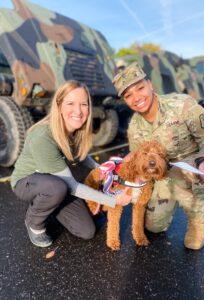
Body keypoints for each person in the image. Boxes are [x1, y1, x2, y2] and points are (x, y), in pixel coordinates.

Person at [112, 62, 204, 250]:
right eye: (128, 95)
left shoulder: (182, 104)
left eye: (140, 88)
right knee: (153, 227)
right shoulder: (135, 126)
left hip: (191, 169)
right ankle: (168, 206)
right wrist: (124, 182)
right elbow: (139, 162)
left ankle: (196, 216)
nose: (136, 98)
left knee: (194, 245)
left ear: (150, 84)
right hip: (161, 175)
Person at [11, 80, 131, 248]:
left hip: (55, 180)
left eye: (84, 104)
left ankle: (50, 205)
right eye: (70, 103)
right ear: (59, 105)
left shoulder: (75, 130)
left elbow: (82, 156)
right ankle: (34, 222)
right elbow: (72, 186)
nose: (78, 111)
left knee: (87, 230)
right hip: (28, 182)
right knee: (56, 188)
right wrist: (113, 200)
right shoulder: (43, 136)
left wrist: (104, 171)